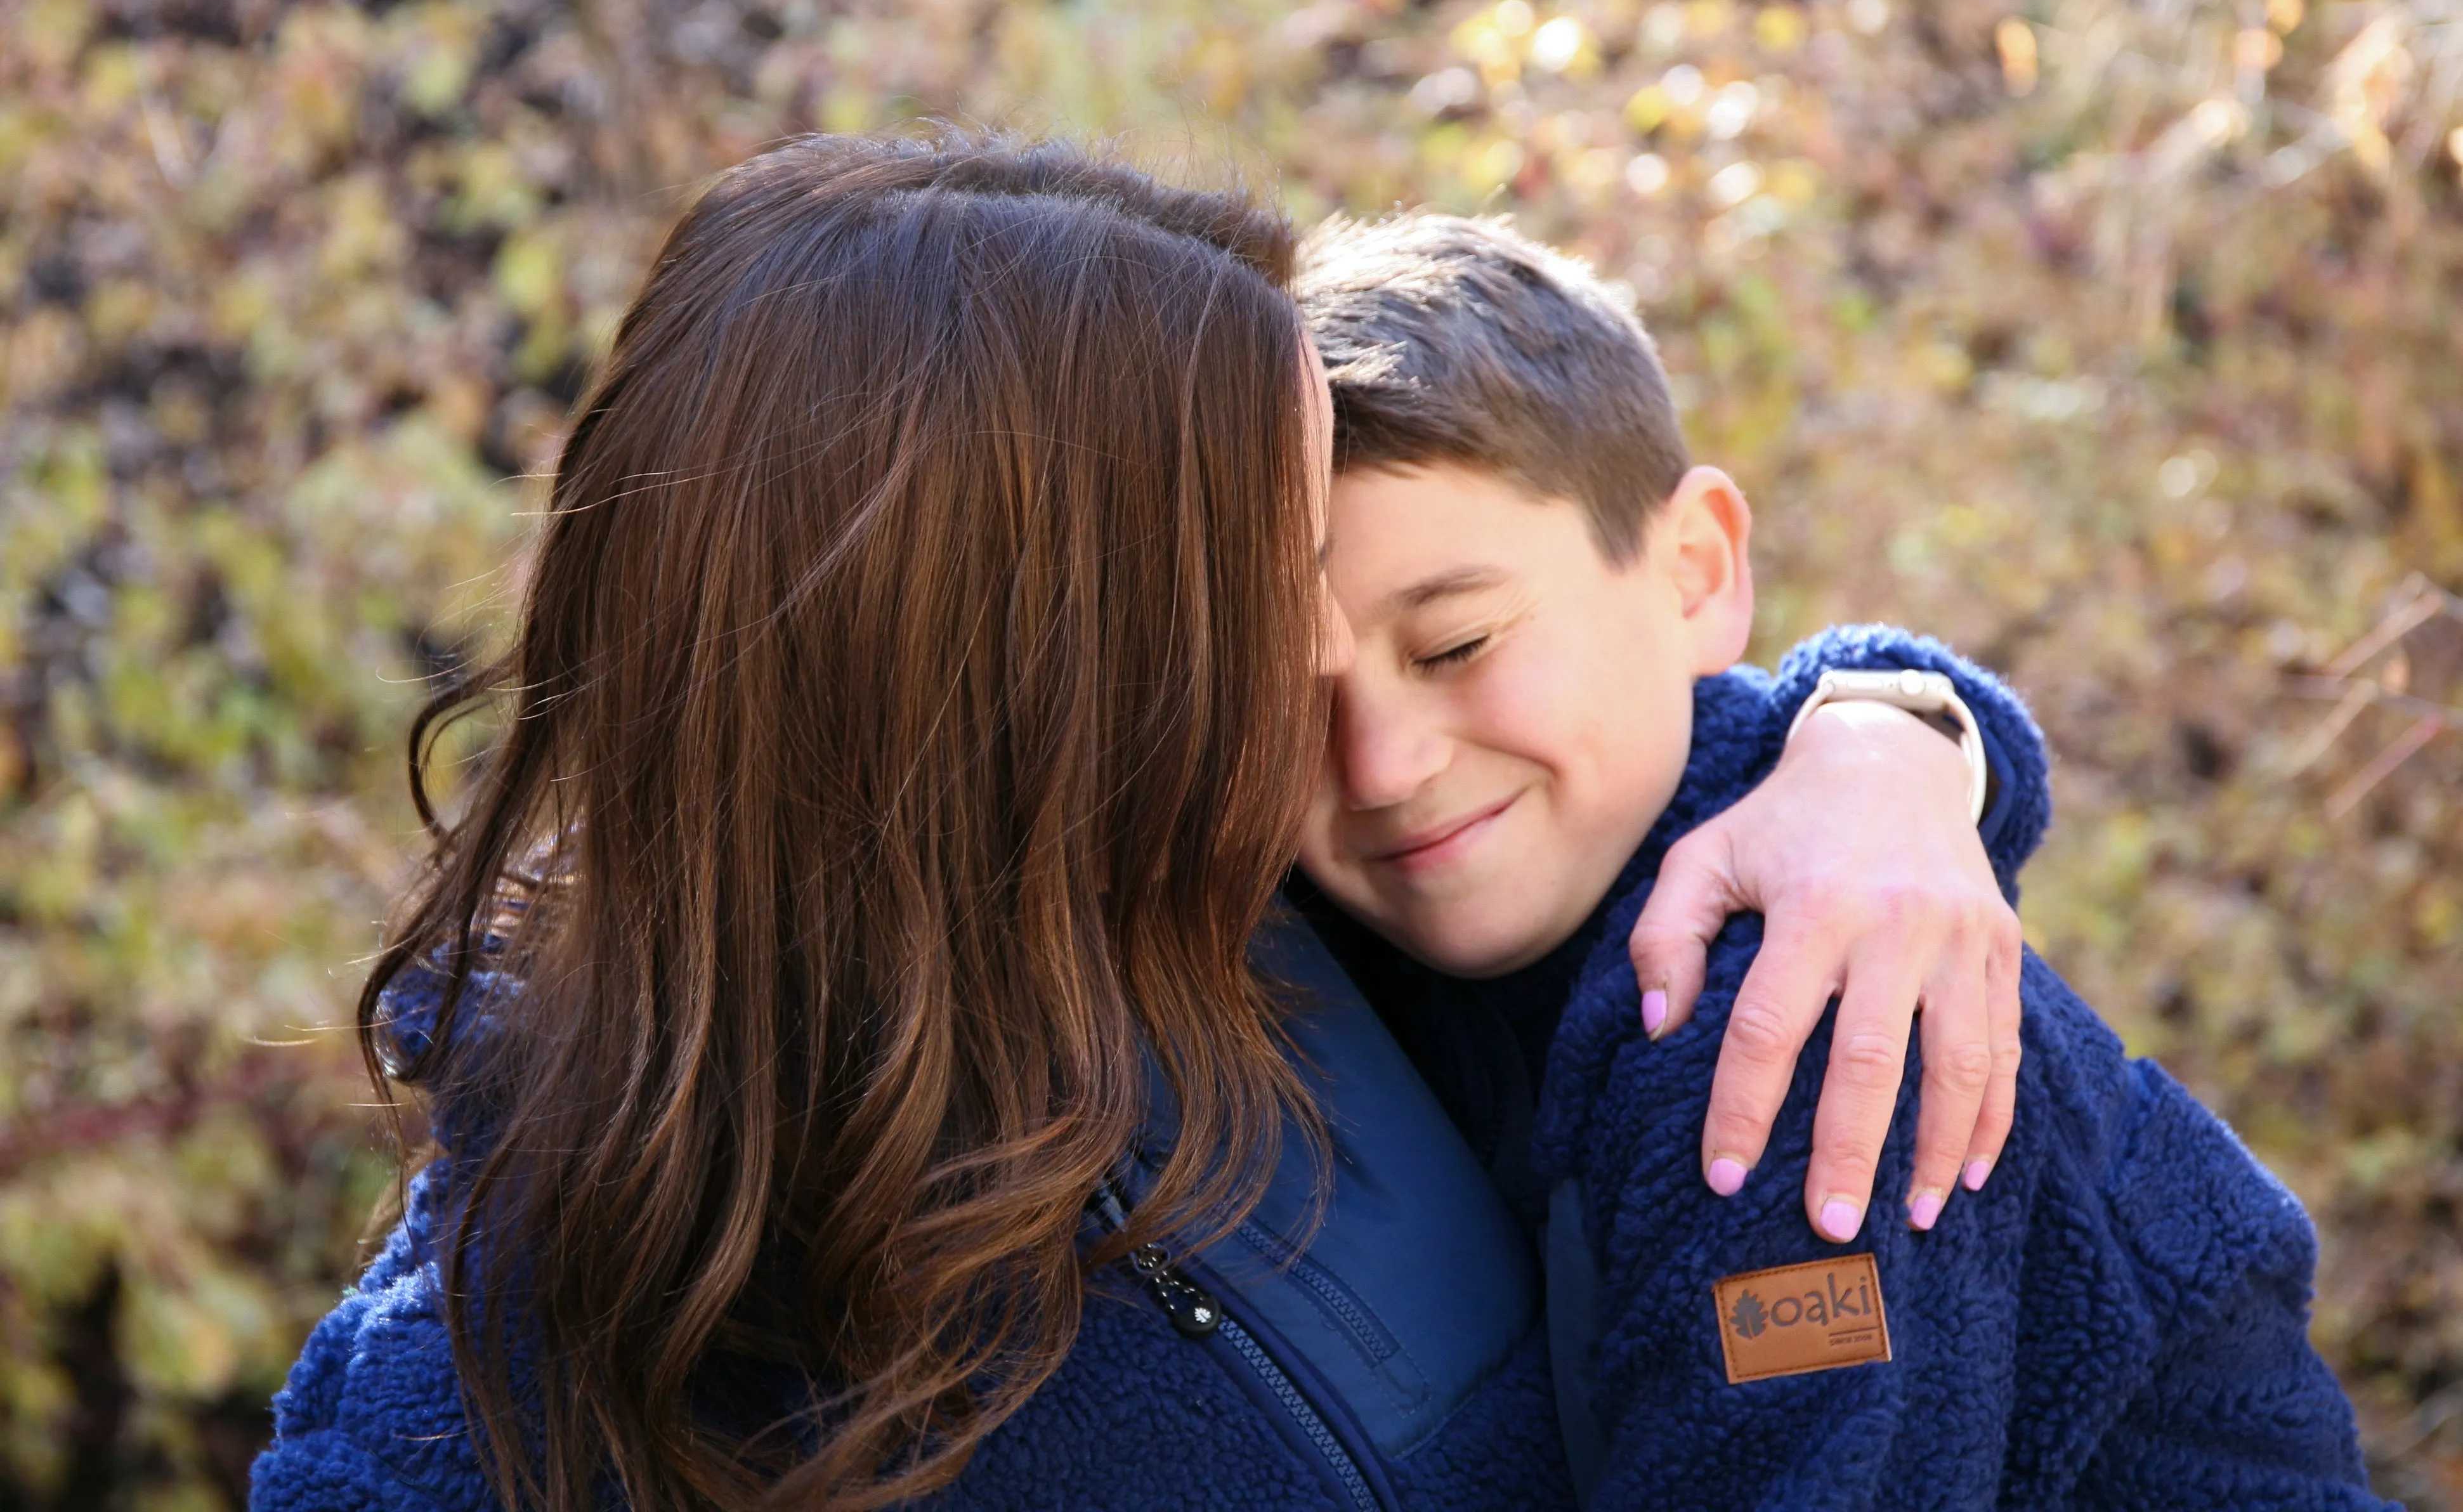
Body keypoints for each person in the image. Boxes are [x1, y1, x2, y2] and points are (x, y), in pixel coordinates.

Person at [251, 133, 2041, 1512]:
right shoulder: (575, 1255)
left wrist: (1892, 739)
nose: (1351, 692)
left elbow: (1646, 736)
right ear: (1037, 669)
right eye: (1274, 589)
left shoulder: (1289, 901)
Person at [1289, 209, 2389, 1509]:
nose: (1379, 764)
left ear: (1696, 575)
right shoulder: (1392, 938)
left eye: (1458, 644)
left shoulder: (1790, 1014)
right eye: (1284, 700)